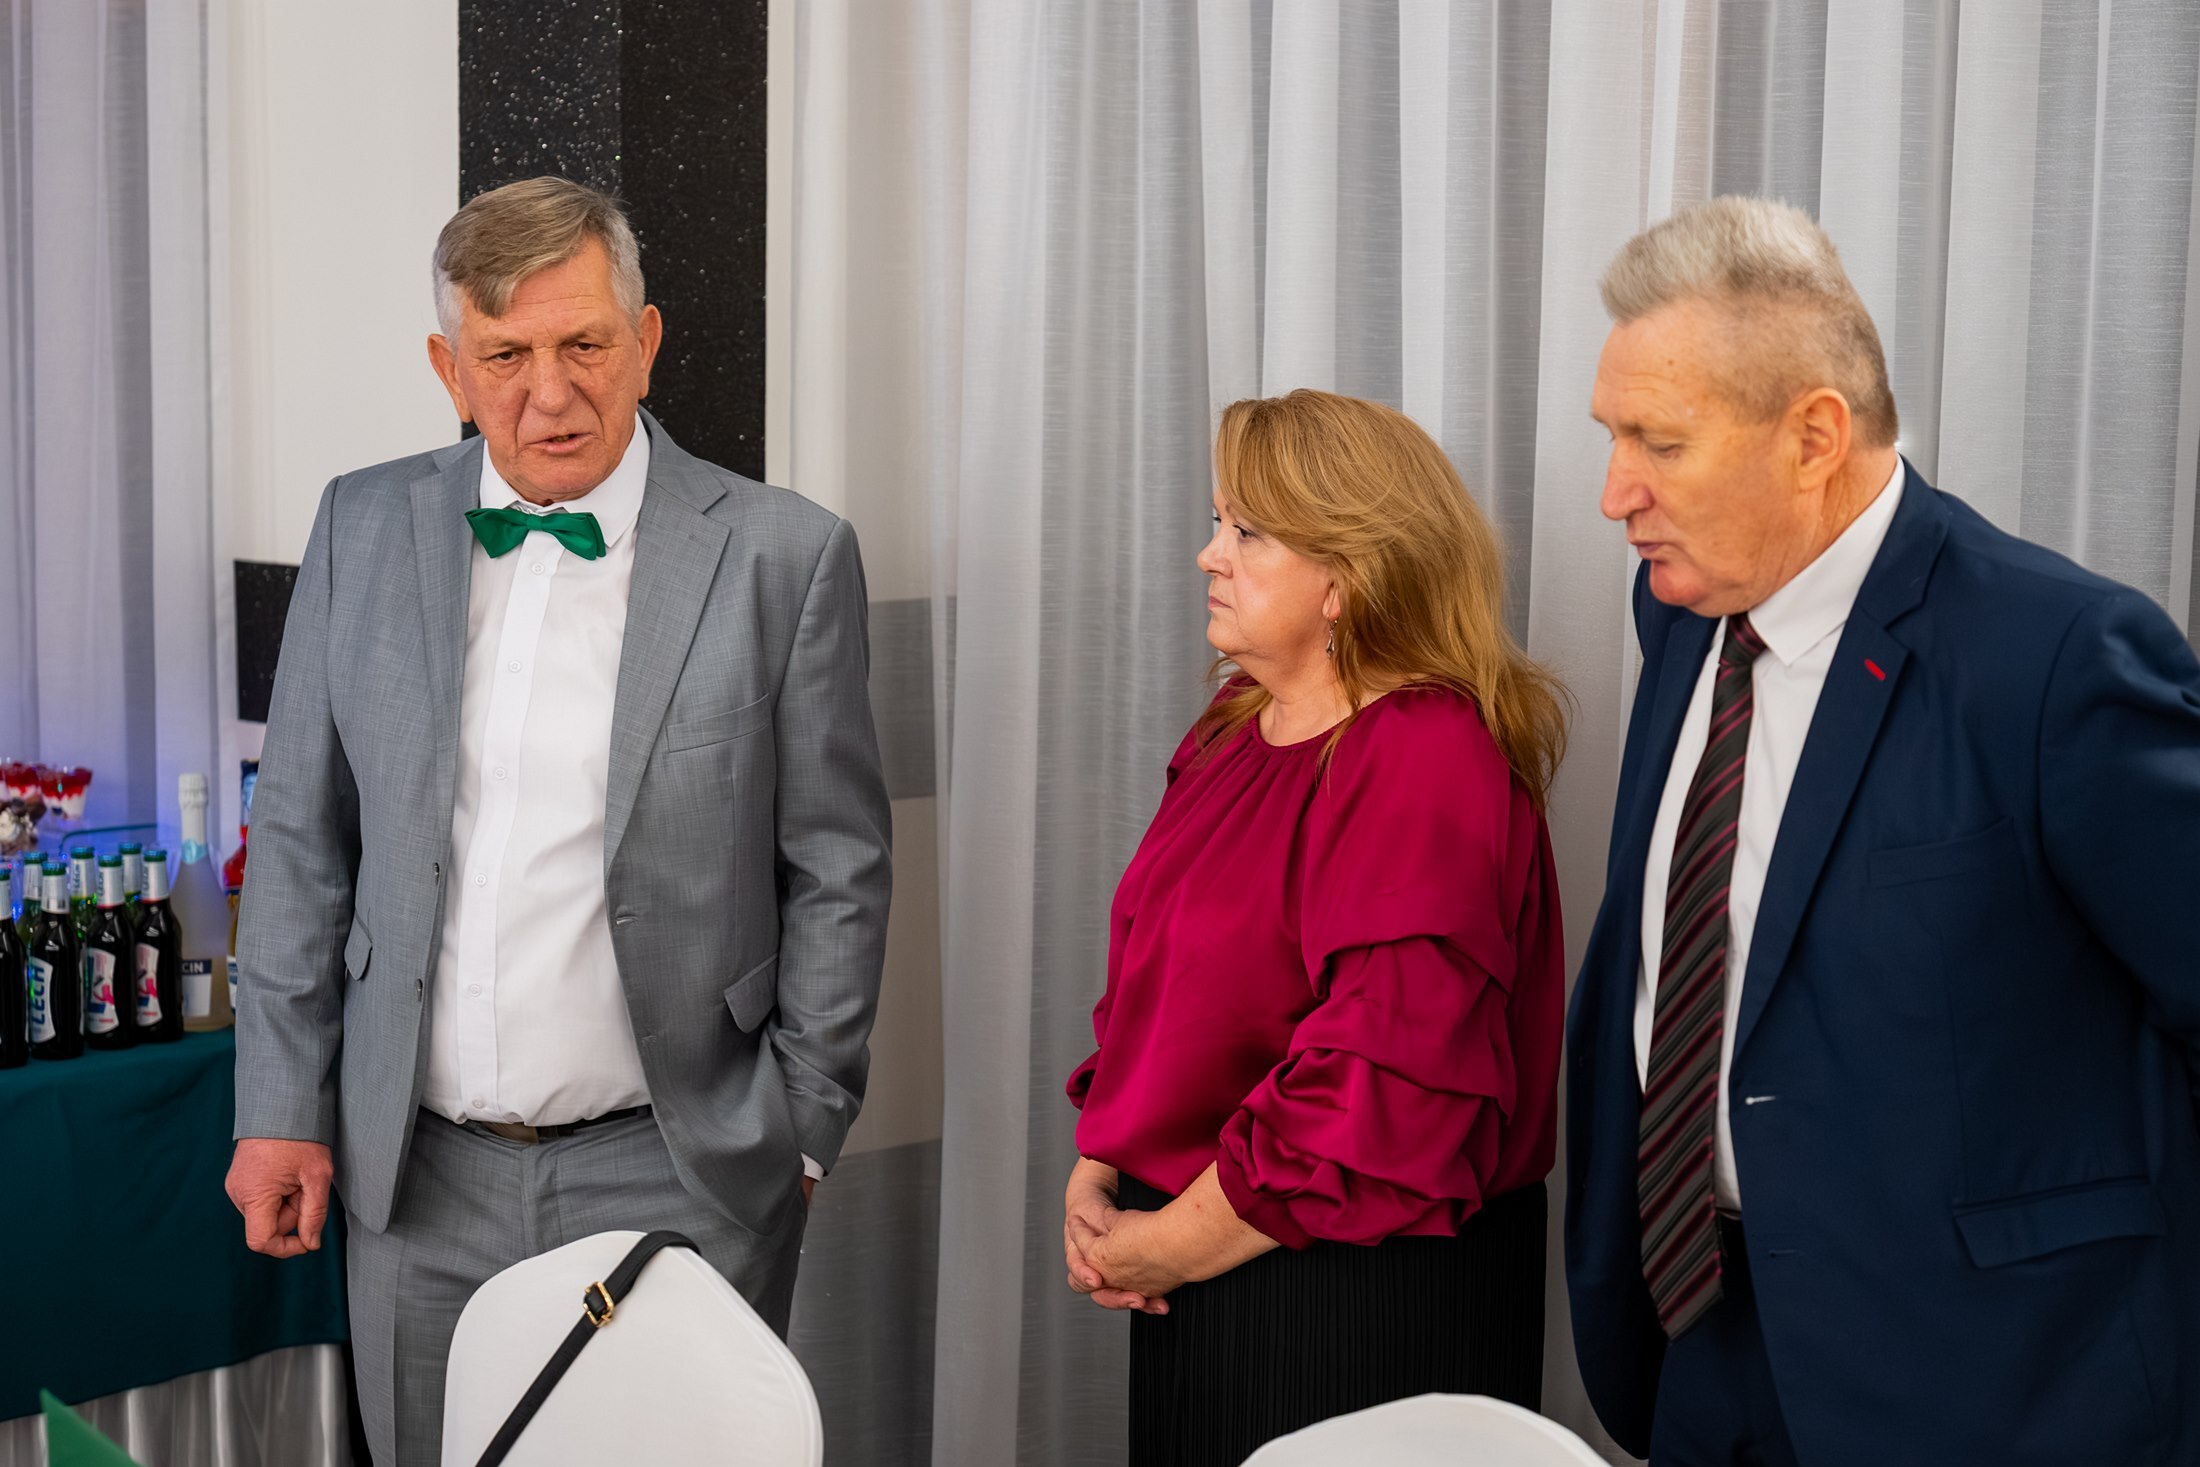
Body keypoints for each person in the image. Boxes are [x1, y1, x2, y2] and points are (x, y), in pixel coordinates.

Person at [225, 177, 892, 1464]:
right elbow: (302, 840)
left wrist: (801, 1132)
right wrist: (281, 1104)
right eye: (505, 356)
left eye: (583, 343)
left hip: (683, 1172)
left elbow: (838, 870)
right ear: (449, 370)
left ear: (644, 341)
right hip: (414, 1183)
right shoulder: (360, 524)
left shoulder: (784, 556)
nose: (549, 392)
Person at [1566, 195, 2200, 1466]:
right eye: (1611, 436)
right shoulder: (1681, 611)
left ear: (1814, 436)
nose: (1613, 493)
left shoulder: (2056, 656)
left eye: (1660, 442)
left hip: (1995, 1387)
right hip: (1707, 1338)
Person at [1062, 389, 1570, 1467]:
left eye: (1247, 532)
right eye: (1218, 521)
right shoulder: (1236, 723)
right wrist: (1103, 1160)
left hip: (1351, 1287)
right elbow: (1165, 976)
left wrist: (1175, 1241)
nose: (1208, 554)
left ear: (1346, 576)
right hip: (1203, 1254)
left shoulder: (1422, 752)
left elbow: (1379, 1083)